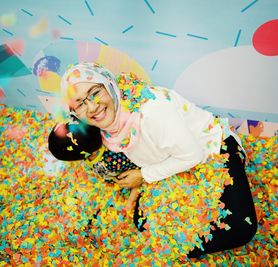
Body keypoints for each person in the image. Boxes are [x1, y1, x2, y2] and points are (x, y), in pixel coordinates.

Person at [60, 62, 257, 257]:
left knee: (241, 228)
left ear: (109, 84)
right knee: (144, 224)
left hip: (212, 149)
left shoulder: (153, 111)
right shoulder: (104, 124)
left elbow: (193, 156)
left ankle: (181, 246)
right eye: (80, 103)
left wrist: (143, 176)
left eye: (95, 92)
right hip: (170, 161)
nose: (92, 106)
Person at [48, 115, 141, 211]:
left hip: (127, 175)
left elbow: (135, 171)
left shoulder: (114, 160)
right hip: (109, 172)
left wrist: (131, 199)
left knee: (131, 182)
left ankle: (130, 201)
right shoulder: (91, 143)